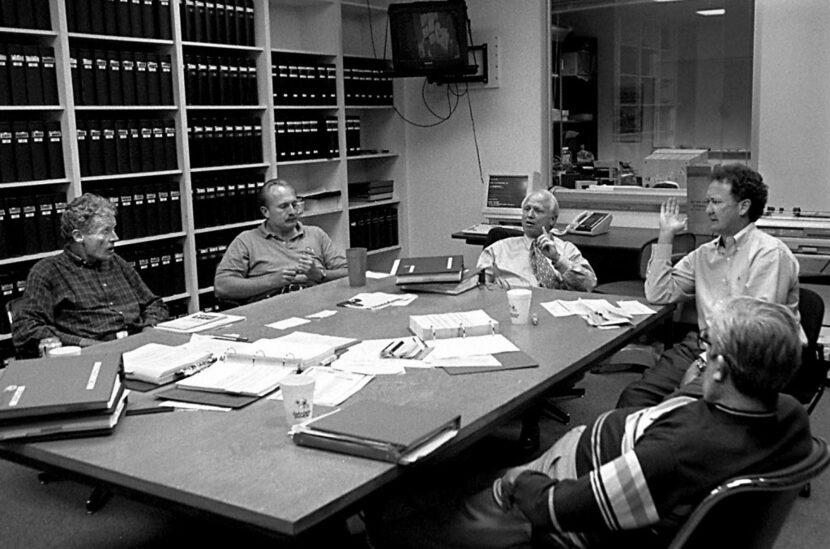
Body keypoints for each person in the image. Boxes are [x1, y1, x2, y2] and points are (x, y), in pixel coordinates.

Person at [366, 297, 812, 549]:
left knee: (414, 528)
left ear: (719, 370)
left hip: (566, 507)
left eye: (707, 348)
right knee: (463, 486)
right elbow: (687, 418)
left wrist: (519, 482)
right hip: (604, 467)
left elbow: (555, 509)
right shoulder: (787, 411)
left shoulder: (675, 455)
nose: (699, 355)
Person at [616, 164, 800, 408]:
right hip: (702, 346)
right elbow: (658, 292)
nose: (708, 210)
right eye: (707, 202)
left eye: (716, 202)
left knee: (676, 409)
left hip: (742, 360)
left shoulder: (769, 254)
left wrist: (705, 361)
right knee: (634, 398)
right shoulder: (704, 254)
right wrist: (666, 235)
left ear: (743, 206)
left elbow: (754, 335)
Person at [12, 193, 168, 357]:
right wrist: (83, 344)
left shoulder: (116, 262)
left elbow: (154, 303)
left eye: (113, 229)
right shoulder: (47, 271)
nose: (115, 238)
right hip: (90, 354)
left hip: (139, 348)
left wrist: (148, 330)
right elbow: (26, 329)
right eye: (105, 231)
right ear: (78, 236)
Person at [214, 179, 348, 304]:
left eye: (295, 205)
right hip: (272, 309)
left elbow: (348, 272)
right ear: (266, 212)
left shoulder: (316, 234)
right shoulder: (246, 241)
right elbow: (222, 287)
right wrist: (272, 281)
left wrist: (320, 275)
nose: (292, 211)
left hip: (316, 304)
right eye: (284, 206)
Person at [476, 189, 597, 291]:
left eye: (537, 210)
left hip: (556, 309)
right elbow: (477, 287)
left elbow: (588, 285)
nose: (530, 215)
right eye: (527, 209)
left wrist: (558, 259)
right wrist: (490, 290)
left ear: (552, 220)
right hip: (514, 307)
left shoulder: (567, 250)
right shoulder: (497, 250)